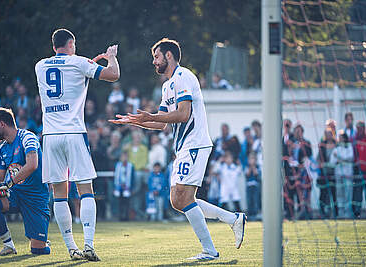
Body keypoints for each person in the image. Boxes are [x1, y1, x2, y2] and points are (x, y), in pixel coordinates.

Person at [110, 38, 246, 260]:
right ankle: (233, 219)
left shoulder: (184, 76)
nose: (154, 62)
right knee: (178, 200)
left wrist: (151, 115)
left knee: (181, 197)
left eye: (156, 56)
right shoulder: (167, 85)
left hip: (195, 143)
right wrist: (134, 121)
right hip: (184, 147)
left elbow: (183, 114)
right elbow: (163, 123)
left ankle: (210, 249)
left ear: (169, 56)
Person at [35, 28, 119, 261]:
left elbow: (64, 72)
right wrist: (111, 56)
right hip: (73, 132)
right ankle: (89, 244)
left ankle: (72, 248)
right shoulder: (79, 62)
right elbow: (113, 75)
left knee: (59, 194)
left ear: (54, 46)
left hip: (50, 135)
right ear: (71, 44)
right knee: (85, 190)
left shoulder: (40, 66)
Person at [0, 107, 50, 256]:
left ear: (2, 124)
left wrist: (8, 184)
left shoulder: (28, 137)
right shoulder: (2, 149)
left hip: (35, 197)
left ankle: (43, 242)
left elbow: (32, 165)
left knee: (38, 251)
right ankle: (8, 245)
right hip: (15, 194)